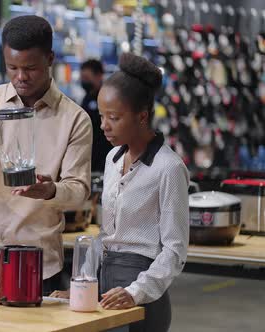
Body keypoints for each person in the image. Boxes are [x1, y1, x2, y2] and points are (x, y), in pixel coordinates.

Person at [0, 15, 93, 295]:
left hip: (39, 263)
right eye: (12, 67)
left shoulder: (75, 119)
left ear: (50, 58)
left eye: (30, 68)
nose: (20, 77)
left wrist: (51, 191)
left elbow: (79, 191)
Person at [51, 53, 189, 332]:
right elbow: (105, 236)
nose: (103, 125)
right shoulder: (113, 159)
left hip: (143, 293)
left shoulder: (168, 168)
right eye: (101, 116)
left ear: (142, 116)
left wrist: (135, 292)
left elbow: (175, 251)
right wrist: (82, 287)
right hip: (104, 287)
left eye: (113, 117)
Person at [80, 59, 113, 172]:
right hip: (90, 155)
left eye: (87, 78)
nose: (84, 82)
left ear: (99, 76)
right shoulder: (86, 99)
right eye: (83, 78)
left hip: (105, 155)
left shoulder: (108, 98)